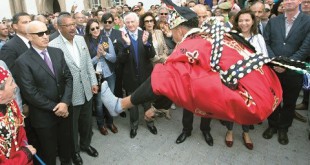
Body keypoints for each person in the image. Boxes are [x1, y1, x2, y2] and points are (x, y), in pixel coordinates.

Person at [100, 0, 282, 129]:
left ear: (180, 30)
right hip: (268, 88)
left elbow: (167, 78)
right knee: (175, 73)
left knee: (167, 71)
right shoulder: (211, 36)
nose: (172, 34)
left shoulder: (190, 44)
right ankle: (154, 107)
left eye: (173, 31)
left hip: (246, 101)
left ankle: (119, 105)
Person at [14, 21, 73, 165]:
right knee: (49, 154)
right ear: (29, 36)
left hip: (64, 112)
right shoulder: (23, 61)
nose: (46, 36)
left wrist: (65, 103)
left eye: (46, 32)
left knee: (66, 148)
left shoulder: (57, 52)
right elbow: (30, 93)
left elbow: (68, 78)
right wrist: (57, 108)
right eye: (40, 34)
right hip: (44, 118)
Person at [49, 13, 99, 165]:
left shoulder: (80, 39)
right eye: (68, 25)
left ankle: (85, 144)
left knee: (86, 122)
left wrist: (93, 81)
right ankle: (75, 152)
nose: (72, 28)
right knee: (72, 127)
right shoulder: (53, 45)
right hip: (69, 94)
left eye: (73, 24)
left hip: (87, 90)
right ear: (59, 27)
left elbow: (88, 64)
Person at [262, 0, 310, 145]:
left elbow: (306, 47)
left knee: (289, 102)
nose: (289, 1)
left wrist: (287, 65)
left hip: (293, 72)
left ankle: (283, 128)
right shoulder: (273, 21)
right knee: (273, 100)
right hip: (273, 70)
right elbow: (266, 42)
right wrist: (275, 62)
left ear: (300, 1)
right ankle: (272, 125)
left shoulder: (308, 21)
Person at [224, 9, 268, 150]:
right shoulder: (232, 37)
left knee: (247, 107)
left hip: (251, 79)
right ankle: (229, 131)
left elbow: (264, 58)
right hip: (233, 78)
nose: (244, 23)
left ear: (253, 21)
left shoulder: (258, 38)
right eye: (241, 20)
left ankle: (246, 132)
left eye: (247, 20)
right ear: (237, 22)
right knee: (231, 105)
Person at [174, 3, 214, 146]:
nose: (202, 19)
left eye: (205, 16)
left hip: (208, 77)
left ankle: (205, 130)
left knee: (207, 106)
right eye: (199, 16)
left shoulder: (215, 31)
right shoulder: (186, 32)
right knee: (188, 105)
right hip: (189, 77)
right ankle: (186, 130)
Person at [120, 12, 157, 139]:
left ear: (137, 23)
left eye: (132, 22)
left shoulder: (146, 35)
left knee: (147, 101)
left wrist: (147, 44)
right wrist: (126, 46)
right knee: (133, 103)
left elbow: (151, 55)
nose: (130, 24)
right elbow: (121, 60)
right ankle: (134, 126)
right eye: (128, 22)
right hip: (130, 77)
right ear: (125, 24)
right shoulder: (122, 37)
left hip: (145, 76)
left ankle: (150, 122)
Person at [84, 19, 118, 136]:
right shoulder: (85, 42)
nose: (95, 30)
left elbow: (114, 58)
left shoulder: (106, 39)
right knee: (98, 103)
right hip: (96, 76)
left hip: (109, 74)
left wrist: (104, 54)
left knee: (110, 100)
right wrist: (97, 56)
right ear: (89, 31)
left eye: (97, 28)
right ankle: (100, 124)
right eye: (92, 29)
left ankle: (110, 122)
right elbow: (86, 63)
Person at [0, 66, 36, 165]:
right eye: (11, 83)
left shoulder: (11, 103)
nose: (15, 86)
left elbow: (20, 131)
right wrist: (25, 155)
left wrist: (24, 150)